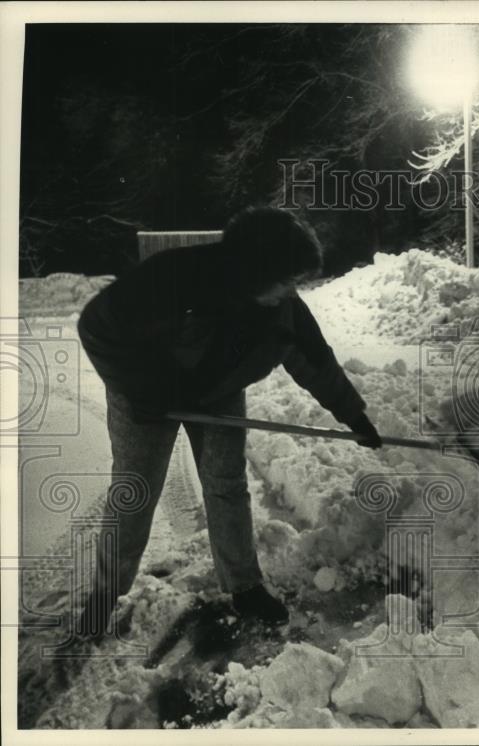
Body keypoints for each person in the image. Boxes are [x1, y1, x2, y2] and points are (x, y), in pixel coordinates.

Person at [75, 206, 382, 639]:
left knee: (226, 483)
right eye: (286, 280)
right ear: (254, 269)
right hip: (144, 398)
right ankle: (105, 593)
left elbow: (316, 362)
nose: (291, 292)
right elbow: (96, 326)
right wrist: (141, 390)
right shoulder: (173, 277)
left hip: (216, 393)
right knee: (135, 489)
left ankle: (244, 586)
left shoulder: (282, 309)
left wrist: (353, 415)